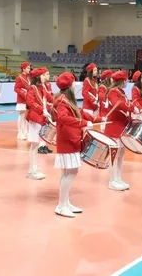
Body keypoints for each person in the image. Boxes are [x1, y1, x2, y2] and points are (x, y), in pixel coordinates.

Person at [53, 72, 92, 218]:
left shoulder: (66, 99)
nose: (76, 84)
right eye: (74, 82)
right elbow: (64, 118)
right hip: (68, 139)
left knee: (66, 173)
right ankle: (61, 205)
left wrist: (95, 118)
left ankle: (65, 202)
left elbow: (79, 112)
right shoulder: (63, 101)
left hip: (70, 138)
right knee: (71, 172)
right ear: (70, 85)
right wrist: (83, 123)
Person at [105, 70, 137, 191]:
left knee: (121, 155)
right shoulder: (113, 92)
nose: (127, 82)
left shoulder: (121, 92)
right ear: (122, 81)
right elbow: (117, 104)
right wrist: (132, 108)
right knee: (114, 155)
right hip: (114, 127)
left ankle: (118, 178)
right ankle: (112, 180)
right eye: (126, 80)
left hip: (122, 126)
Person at [25, 67, 52, 180]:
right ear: (37, 77)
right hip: (35, 117)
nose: (44, 77)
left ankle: (34, 168)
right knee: (34, 145)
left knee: (35, 145)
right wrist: (42, 110)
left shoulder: (42, 87)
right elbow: (30, 102)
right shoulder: (33, 88)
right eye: (42, 75)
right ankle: (32, 170)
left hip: (40, 117)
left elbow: (49, 98)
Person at [14, 62, 31, 140]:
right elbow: (16, 88)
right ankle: (20, 133)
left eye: (29, 68)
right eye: (28, 68)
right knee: (22, 115)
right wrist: (24, 93)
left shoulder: (28, 77)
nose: (29, 69)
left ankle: (25, 131)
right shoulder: (20, 77)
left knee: (26, 116)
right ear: (23, 69)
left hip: (28, 99)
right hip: (22, 99)